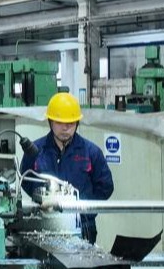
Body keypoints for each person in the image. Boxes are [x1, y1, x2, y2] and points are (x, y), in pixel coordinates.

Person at [20, 92, 114, 244]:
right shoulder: (35, 150)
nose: (65, 128)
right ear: (50, 122)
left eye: (70, 123)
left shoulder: (91, 152)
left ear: (77, 123)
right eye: (59, 123)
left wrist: (82, 210)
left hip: (82, 227)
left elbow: (105, 187)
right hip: (45, 225)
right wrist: (43, 202)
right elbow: (26, 180)